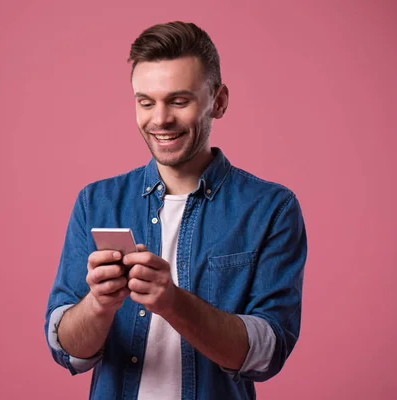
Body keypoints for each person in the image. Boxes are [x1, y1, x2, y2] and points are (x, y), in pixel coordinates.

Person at [44, 21, 307, 400]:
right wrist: (99, 304)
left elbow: (266, 354)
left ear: (218, 101)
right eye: (145, 102)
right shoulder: (96, 201)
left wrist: (172, 302)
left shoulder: (271, 208)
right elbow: (67, 351)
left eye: (179, 101)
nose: (160, 119)